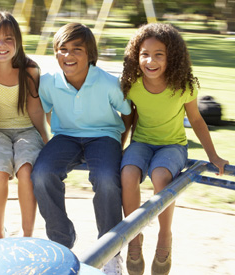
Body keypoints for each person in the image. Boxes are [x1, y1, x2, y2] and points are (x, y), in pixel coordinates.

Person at [120, 23, 228, 275]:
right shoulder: (132, 84)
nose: (151, 60)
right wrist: (121, 147)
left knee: (160, 176)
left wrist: (213, 155)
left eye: (159, 54)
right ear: (136, 56)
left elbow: (198, 121)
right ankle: (134, 239)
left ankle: (164, 237)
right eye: (145, 54)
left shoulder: (183, 87)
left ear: (173, 58)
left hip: (173, 145)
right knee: (127, 174)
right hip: (141, 143)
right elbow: (128, 119)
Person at [31, 23, 131, 274]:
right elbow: (44, 108)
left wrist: (121, 142)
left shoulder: (108, 82)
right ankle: (61, 239)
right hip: (65, 136)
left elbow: (128, 112)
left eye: (77, 49)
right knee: (42, 173)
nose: (69, 55)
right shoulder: (48, 82)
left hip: (104, 136)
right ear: (55, 53)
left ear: (90, 54)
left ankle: (110, 251)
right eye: (63, 49)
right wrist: (55, 131)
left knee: (107, 177)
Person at [0, 10, 48, 240]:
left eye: (8, 39)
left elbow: (35, 109)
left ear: (18, 42)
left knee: (26, 170)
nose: (1, 45)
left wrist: (45, 138)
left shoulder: (30, 70)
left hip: (27, 129)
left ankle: (27, 235)